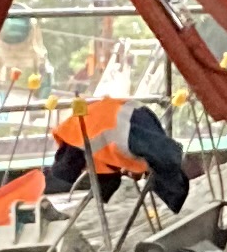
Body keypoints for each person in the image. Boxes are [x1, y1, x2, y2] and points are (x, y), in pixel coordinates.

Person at [45, 88, 191, 211]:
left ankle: (177, 198)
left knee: (163, 163)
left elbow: (165, 154)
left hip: (130, 121)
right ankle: (175, 197)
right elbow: (106, 179)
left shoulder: (105, 140)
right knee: (162, 164)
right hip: (126, 114)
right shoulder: (78, 140)